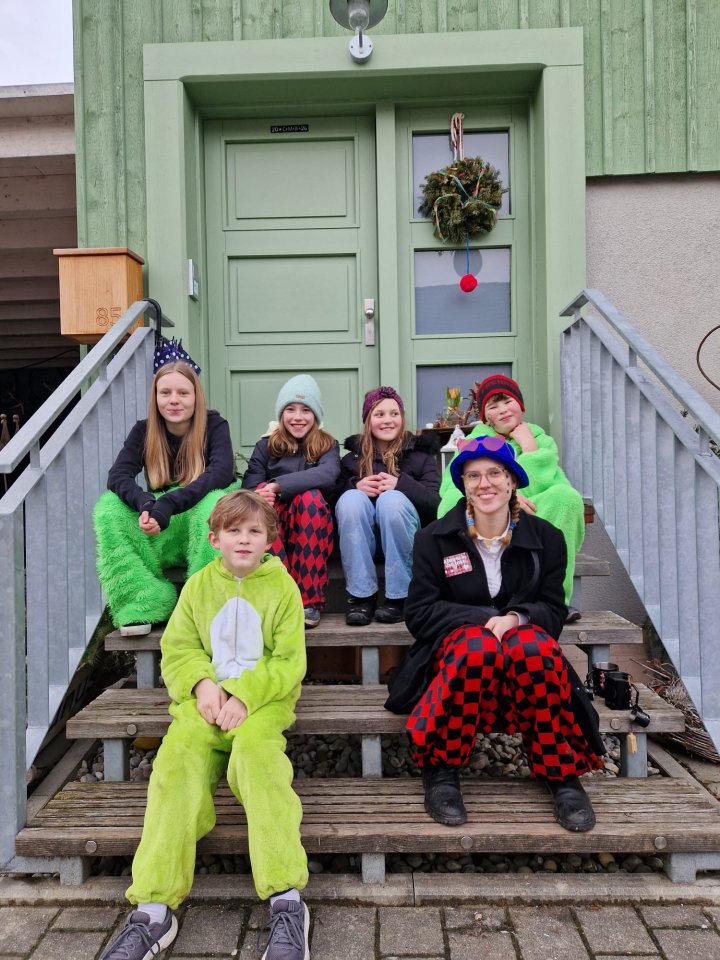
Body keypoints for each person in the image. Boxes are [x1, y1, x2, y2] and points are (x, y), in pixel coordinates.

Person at [99, 490, 310, 960]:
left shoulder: (283, 589)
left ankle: (286, 899)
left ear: (269, 540)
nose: (244, 539)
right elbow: (178, 648)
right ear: (214, 539)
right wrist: (202, 685)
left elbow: (289, 661)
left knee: (259, 761)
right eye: (233, 531)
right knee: (176, 766)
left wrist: (246, 695)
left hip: (262, 703)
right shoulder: (197, 587)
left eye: (254, 531)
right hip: (205, 703)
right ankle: (153, 909)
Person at [386, 435, 603, 833]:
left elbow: (553, 611)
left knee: (534, 648)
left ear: (512, 481)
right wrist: (484, 619)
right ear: (463, 485)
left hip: (523, 664)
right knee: (477, 646)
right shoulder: (434, 539)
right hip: (461, 661)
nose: (484, 484)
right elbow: (418, 614)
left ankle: (561, 773)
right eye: (473, 476)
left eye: (494, 474)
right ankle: (442, 767)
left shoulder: (546, 539)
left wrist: (517, 618)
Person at [94, 359, 236, 635]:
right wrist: (146, 504)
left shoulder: (215, 426)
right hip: (162, 527)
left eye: (183, 393)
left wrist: (169, 503)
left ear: (196, 396)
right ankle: (144, 599)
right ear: (155, 397)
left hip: (200, 520)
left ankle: (205, 603)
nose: (174, 400)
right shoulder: (144, 431)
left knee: (216, 502)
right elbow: (118, 476)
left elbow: (219, 474)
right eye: (165, 393)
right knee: (108, 508)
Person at [437, 374, 585, 612]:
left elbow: (550, 485)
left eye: (508, 401)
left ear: (521, 405)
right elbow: (451, 489)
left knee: (566, 498)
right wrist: (506, 501)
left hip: (532, 514)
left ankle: (554, 599)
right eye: (493, 406)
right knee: (451, 503)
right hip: (486, 517)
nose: (503, 410)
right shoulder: (472, 443)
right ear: (486, 417)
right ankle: (475, 594)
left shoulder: (541, 440)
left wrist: (529, 447)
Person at [335, 386, 441, 625]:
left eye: (394, 413)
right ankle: (361, 597)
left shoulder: (421, 456)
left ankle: (399, 597)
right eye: (379, 414)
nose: (388, 420)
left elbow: (435, 505)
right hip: (364, 542)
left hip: (405, 540)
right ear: (368, 420)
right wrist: (354, 486)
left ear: (402, 418)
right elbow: (332, 503)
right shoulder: (351, 460)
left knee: (391, 500)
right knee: (350, 499)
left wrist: (401, 484)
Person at [242, 374, 340, 629]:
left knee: (310, 498)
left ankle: (308, 601)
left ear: (315, 415)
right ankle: (279, 596)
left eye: (306, 410)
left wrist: (277, 486)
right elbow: (249, 485)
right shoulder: (265, 446)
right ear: (281, 413)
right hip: (275, 522)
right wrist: (261, 491)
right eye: (290, 409)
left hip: (312, 525)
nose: (298, 417)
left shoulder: (327, 445)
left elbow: (327, 475)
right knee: (262, 507)